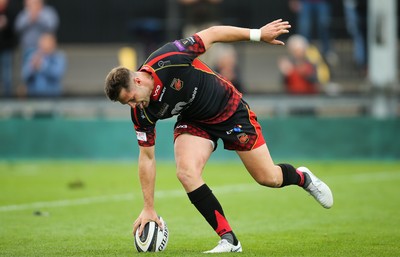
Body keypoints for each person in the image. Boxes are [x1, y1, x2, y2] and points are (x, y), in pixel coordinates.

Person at [104, 19, 333, 253]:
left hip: (229, 108)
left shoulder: (168, 59)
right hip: (194, 121)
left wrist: (258, 34)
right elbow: (147, 158)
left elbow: (212, 34)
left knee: (268, 178)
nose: (133, 104)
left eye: (131, 98)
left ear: (139, 80)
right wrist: (148, 208)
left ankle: (302, 178)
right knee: (186, 173)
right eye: (127, 103)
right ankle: (229, 239)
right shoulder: (140, 113)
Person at [0, 0, 19, 97]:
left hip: (6, 47)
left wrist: (6, 24)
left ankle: (8, 98)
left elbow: (16, 28)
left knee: (7, 76)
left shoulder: (11, 11)